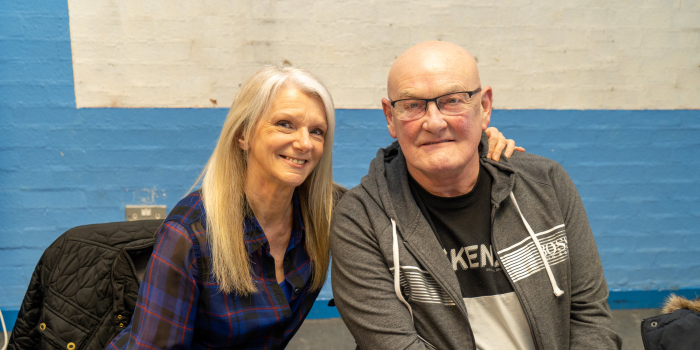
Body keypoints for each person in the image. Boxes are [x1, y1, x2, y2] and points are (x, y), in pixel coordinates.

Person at [105, 66, 518, 349]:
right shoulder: (190, 234)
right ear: (244, 134)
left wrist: (469, 145)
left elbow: (410, 178)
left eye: (316, 131)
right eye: (285, 124)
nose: (304, 143)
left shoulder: (327, 211)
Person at [330, 41, 622, 349]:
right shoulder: (361, 221)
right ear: (390, 117)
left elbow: (590, 320)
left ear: (484, 107)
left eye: (453, 100)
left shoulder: (547, 184)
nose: (434, 122)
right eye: (412, 105)